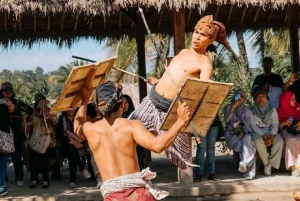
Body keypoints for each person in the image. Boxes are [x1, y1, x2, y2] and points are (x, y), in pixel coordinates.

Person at [129, 15, 230, 169]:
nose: (197, 37)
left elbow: (201, 93)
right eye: (196, 32)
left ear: (210, 40)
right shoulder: (182, 52)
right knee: (128, 134)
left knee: (183, 159)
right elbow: (172, 75)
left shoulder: (205, 65)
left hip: (170, 112)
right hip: (151, 101)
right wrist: (158, 81)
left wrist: (207, 86)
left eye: (203, 35)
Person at [74, 81, 191, 201]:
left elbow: (77, 125)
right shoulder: (131, 126)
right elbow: (157, 145)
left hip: (112, 197)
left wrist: (84, 100)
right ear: (122, 104)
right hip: (139, 195)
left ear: (99, 108)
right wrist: (180, 122)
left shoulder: (90, 129)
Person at [0, 82, 33, 187]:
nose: (8, 92)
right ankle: (3, 180)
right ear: (1, 91)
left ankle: (19, 178)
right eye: (5, 90)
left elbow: (30, 110)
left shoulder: (18, 103)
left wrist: (26, 120)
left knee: (17, 158)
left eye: (10, 90)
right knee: (2, 159)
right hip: (2, 134)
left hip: (17, 135)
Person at [223, 89, 259, 180]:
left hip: (244, 134)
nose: (240, 98)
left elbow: (249, 125)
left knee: (247, 141)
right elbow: (227, 120)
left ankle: (244, 165)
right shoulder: (228, 107)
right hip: (231, 134)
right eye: (237, 96)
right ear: (234, 97)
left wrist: (242, 131)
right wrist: (233, 107)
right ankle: (248, 170)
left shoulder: (246, 110)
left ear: (244, 99)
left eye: (242, 96)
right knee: (248, 147)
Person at [251, 90, 284, 176]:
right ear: (255, 99)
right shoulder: (251, 110)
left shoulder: (271, 110)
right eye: (258, 97)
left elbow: (275, 125)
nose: (261, 99)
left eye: (263, 97)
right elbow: (253, 126)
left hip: (270, 131)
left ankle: (271, 164)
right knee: (258, 141)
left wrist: (272, 138)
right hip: (257, 132)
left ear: (267, 99)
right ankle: (266, 163)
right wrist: (264, 136)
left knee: (280, 142)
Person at [277, 91, 300, 176]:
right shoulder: (279, 111)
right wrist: (284, 123)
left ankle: (297, 166)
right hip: (286, 130)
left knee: (298, 140)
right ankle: (292, 166)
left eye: (295, 99)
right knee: (290, 140)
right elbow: (276, 127)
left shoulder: (298, 107)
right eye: (292, 99)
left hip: (297, 131)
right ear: (286, 100)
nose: (295, 101)